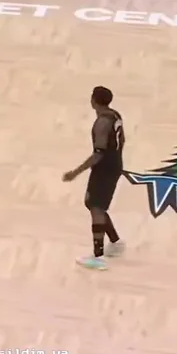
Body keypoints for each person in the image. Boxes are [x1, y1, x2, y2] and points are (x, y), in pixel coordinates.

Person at [62, 86, 125, 270]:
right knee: (94, 204)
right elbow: (122, 141)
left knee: (96, 207)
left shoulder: (101, 123)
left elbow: (98, 154)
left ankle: (98, 256)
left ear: (94, 101)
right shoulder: (115, 116)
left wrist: (75, 172)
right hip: (115, 163)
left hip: (104, 168)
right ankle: (115, 242)